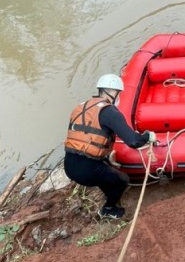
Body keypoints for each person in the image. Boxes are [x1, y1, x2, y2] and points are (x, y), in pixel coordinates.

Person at [63, 73, 156, 220]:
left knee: (105, 170)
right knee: (122, 180)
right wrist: (147, 137)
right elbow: (133, 141)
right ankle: (109, 209)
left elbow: (86, 137)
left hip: (69, 165)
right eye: (119, 94)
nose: (119, 97)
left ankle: (107, 187)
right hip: (87, 170)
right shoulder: (110, 112)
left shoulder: (81, 107)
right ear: (113, 92)